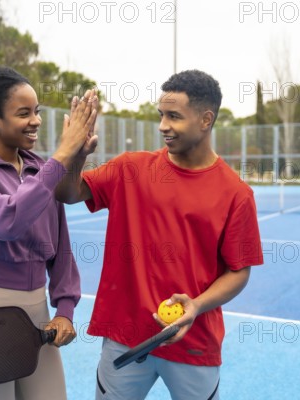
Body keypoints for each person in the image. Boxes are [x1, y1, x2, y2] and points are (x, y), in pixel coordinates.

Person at [55, 69, 264, 399]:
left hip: (194, 345)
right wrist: (76, 156)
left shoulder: (236, 193)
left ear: (206, 119)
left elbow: (239, 272)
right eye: (161, 115)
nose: (163, 126)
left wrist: (196, 305)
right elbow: (67, 193)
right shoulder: (130, 169)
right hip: (125, 335)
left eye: (174, 116)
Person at [0, 66, 97, 400]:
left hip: (37, 316)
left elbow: (61, 247)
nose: (36, 121)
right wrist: (60, 157)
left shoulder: (41, 168)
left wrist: (65, 310)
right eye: (24, 113)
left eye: (37, 112)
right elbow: (8, 220)